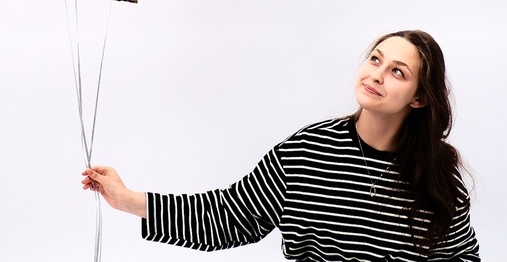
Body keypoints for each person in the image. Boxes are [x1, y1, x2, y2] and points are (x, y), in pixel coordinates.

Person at [81, 30, 480, 260]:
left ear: (419, 97)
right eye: (375, 60)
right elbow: (229, 216)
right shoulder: (308, 151)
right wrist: (129, 200)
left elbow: (462, 257)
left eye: (397, 72)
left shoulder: (438, 179)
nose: (377, 74)